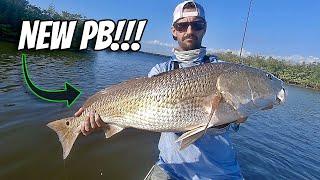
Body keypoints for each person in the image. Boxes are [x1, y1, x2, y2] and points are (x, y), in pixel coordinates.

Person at [75, 1, 246, 179]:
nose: (189, 30)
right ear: (174, 31)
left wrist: (236, 116)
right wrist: (99, 116)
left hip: (221, 173)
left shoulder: (224, 71)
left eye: (196, 24)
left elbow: (234, 123)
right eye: (182, 25)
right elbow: (136, 110)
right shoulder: (160, 71)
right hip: (169, 168)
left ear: (204, 28)